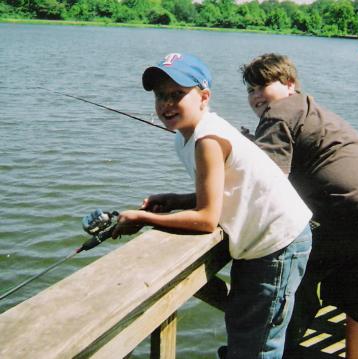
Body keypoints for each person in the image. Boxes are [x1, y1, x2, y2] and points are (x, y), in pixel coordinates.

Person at [111, 53, 313, 359]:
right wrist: (179, 200)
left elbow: (207, 219)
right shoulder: (186, 137)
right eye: (160, 96)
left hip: (278, 243)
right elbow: (225, 190)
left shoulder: (207, 139)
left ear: (204, 97)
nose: (166, 103)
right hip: (259, 241)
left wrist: (142, 218)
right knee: (245, 324)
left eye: (177, 95)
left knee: (257, 345)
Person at [240, 53, 358, 359]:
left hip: (352, 213)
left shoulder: (279, 110)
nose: (255, 96)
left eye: (262, 85)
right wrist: (255, 147)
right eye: (250, 90)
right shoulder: (310, 110)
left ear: (289, 84)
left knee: (293, 271)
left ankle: (279, 352)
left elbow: (268, 183)